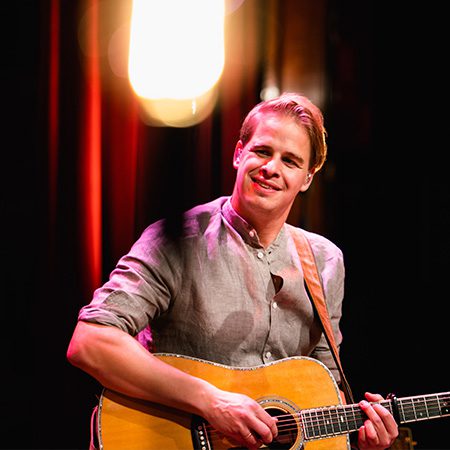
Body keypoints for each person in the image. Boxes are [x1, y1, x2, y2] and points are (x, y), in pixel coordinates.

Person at [67, 92, 399, 450]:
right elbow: (90, 342)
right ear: (238, 153)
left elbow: (321, 391)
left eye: (290, 160)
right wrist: (211, 401)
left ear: (308, 177)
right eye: (262, 151)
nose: (271, 167)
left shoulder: (326, 261)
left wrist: (358, 439)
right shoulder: (177, 240)